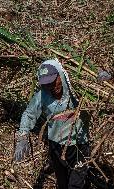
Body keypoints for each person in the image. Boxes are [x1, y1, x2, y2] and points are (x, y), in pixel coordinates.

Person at [14, 59, 90, 189]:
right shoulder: (43, 95)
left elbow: (102, 98)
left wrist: (106, 79)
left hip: (78, 146)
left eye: (54, 81)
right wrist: (22, 136)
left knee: (76, 185)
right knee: (62, 184)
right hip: (56, 147)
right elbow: (29, 114)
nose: (51, 87)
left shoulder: (77, 92)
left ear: (61, 75)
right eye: (47, 84)